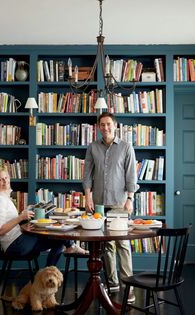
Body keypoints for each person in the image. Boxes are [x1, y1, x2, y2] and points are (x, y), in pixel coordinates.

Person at [83, 112, 139, 303]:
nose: (105, 128)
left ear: (115, 126)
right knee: (106, 245)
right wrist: (88, 197)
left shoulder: (126, 147)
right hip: (99, 204)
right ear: (98, 127)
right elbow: (87, 174)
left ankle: (128, 286)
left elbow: (131, 176)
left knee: (122, 244)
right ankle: (113, 282)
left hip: (119, 203)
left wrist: (130, 198)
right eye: (102, 125)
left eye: (108, 124)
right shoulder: (93, 147)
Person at [0, 167, 86, 267]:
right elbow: (1, 230)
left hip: (18, 240)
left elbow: (8, 220)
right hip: (15, 245)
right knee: (48, 223)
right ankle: (71, 245)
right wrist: (21, 217)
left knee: (58, 242)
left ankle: (46, 277)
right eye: (1, 180)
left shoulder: (3, 197)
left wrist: (23, 214)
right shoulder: (0, 200)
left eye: (6, 177)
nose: (5, 181)